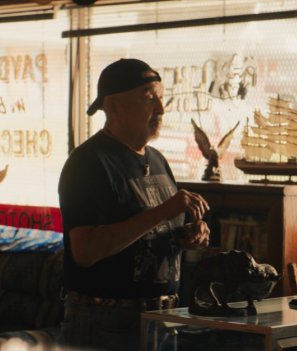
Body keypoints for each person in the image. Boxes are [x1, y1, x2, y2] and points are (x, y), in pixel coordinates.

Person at [58, 58, 211, 351]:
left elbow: (153, 232)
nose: (161, 110)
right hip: (105, 323)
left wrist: (189, 235)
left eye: (161, 99)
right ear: (113, 107)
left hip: (162, 319)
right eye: (148, 100)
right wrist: (164, 211)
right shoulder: (88, 163)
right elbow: (85, 251)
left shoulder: (157, 160)